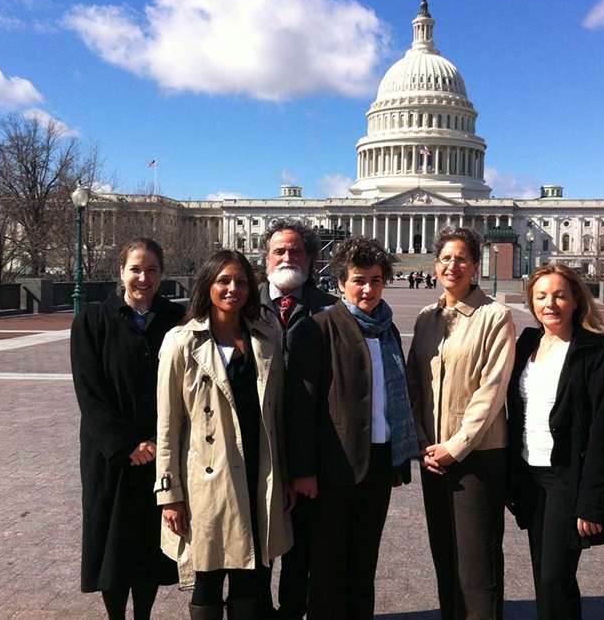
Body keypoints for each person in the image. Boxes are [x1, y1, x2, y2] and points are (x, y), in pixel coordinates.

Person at [155, 250, 294, 620]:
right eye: (224, 281)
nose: (233, 289)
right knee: (208, 576)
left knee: (251, 576)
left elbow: (277, 418)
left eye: (242, 282)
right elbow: (167, 425)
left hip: (258, 472)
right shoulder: (181, 342)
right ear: (208, 286)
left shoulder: (265, 340)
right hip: (207, 478)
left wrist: (286, 477)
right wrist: (170, 494)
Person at [287, 236, 420, 620]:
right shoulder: (318, 328)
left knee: (364, 561)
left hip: (377, 462)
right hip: (332, 468)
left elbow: (392, 401)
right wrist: (304, 471)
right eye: (359, 280)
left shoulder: (388, 328)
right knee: (327, 565)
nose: (368, 288)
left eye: (376, 280)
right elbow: (301, 408)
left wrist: (397, 460)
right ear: (341, 282)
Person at [506, 265, 604, 620]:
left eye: (560, 295)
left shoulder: (596, 352)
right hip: (529, 474)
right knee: (544, 574)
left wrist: (592, 500)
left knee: (555, 576)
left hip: (567, 476)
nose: (550, 303)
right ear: (531, 302)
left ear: (577, 299)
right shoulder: (527, 343)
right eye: (542, 296)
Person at [71, 237, 183, 620]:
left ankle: (144, 616)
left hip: (160, 451)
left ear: (161, 274)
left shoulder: (175, 320)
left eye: (152, 270)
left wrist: (158, 442)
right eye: (135, 269)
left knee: (149, 544)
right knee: (113, 542)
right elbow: (89, 390)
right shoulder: (93, 319)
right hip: (111, 457)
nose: (143, 277)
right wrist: (126, 443)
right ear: (121, 272)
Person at [407, 226, 516, 620]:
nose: (453, 265)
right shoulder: (425, 318)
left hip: (477, 457)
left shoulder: (495, 316)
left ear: (475, 265)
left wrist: (455, 447)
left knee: (478, 563)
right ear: (436, 266)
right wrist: (423, 443)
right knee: (446, 556)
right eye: (445, 259)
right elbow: (412, 384)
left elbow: (491, 391)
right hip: (433, 456)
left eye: (461, 258)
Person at [257, 219, 338, 620]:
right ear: (266, 257)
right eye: (279, 251)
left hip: (309, 449)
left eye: (296, 251)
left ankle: (291, 613)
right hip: (255, 447)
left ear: (310, 258)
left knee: (301, 548)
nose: (288, 257)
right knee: (256, 546)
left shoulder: (330, 310)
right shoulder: (239, 304)